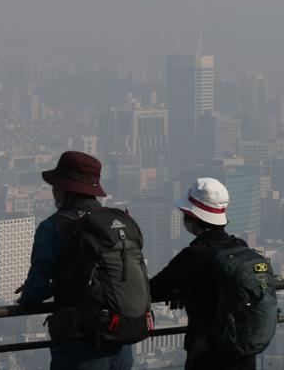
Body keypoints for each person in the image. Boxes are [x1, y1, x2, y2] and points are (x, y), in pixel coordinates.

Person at [17, 151, 136, 370]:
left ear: (63, 189)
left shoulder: (53, 227)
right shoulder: (118, 221)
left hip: (81, 347)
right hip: (121, 343)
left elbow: (35, 289)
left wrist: (32, 293)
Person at [150, 178, 255, 370]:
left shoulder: (194, 255)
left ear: (192, 216)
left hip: (209, 354)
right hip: (243, 353)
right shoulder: (240, 246)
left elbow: (153, 290)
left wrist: (182, 287)